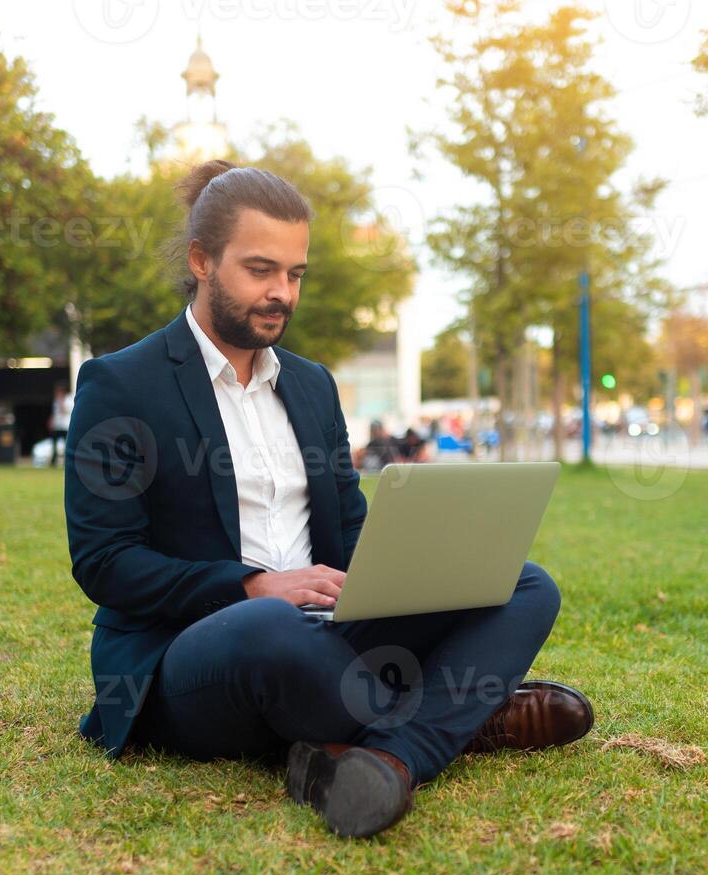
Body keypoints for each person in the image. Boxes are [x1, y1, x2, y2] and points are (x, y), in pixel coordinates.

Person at [64, 160, 590, 840]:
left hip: (329, 634)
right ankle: (466, 718)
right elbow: (105, 562)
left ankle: (389, 758)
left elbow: (347, 533)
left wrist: (410, 570)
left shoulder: (311, 387)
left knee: (524, 584)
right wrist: (255, 586)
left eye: (295, 274)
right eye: (261, 270)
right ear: (201, 260)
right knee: (274, 631)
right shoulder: (121, 384)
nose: (282, 292)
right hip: (197, 653)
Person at [48, 382, 73, 467]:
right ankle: (54, 461)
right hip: (57, 425)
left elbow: (64, 410)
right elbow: (55, 412)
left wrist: (61, 401)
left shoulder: (69, 399)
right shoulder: (56, 400)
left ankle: (67, 461)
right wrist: (51, 421)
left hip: (65, 426)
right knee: (54, 444)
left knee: (67, 444)